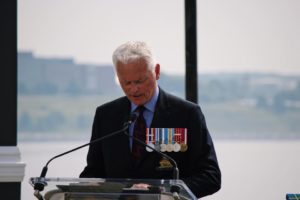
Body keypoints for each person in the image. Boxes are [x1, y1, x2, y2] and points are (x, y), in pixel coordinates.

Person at [80, 41, 221, 198]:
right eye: (126, 82)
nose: (133, 89)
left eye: (140, 81)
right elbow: (93, 173)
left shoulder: (187, 114)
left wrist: (163, 193)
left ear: (157, 71)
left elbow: (210, 176)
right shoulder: (106, 115)